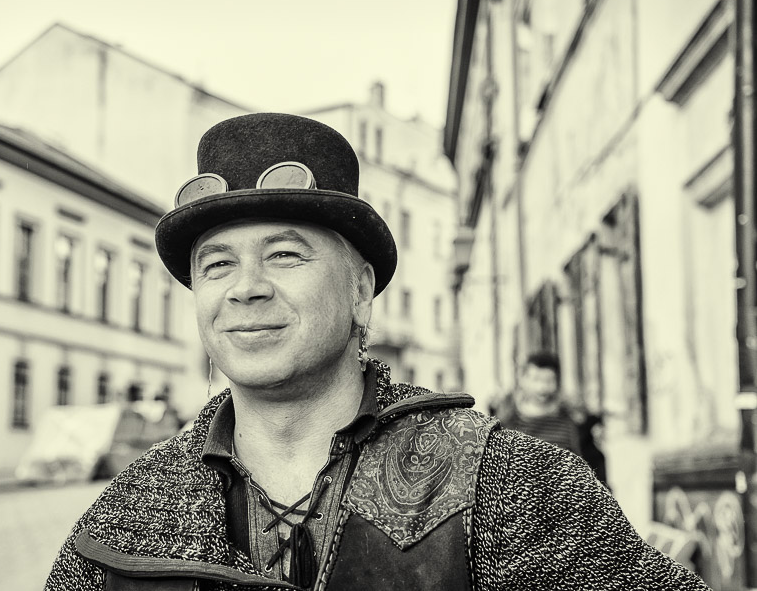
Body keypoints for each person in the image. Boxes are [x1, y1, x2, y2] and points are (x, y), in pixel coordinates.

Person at [45, 113, 709, 590]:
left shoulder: (504, 484)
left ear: (361, 291)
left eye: (285, 255)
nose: (245, 288)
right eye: (216, 265)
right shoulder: (125, 519)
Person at [494, 351, 609, 485]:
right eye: (536, 379)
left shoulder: (573, 418)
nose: (542, 387)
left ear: (557, 382)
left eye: (548, 381)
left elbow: (593, 466)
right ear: (523, 379)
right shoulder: (507, 418)